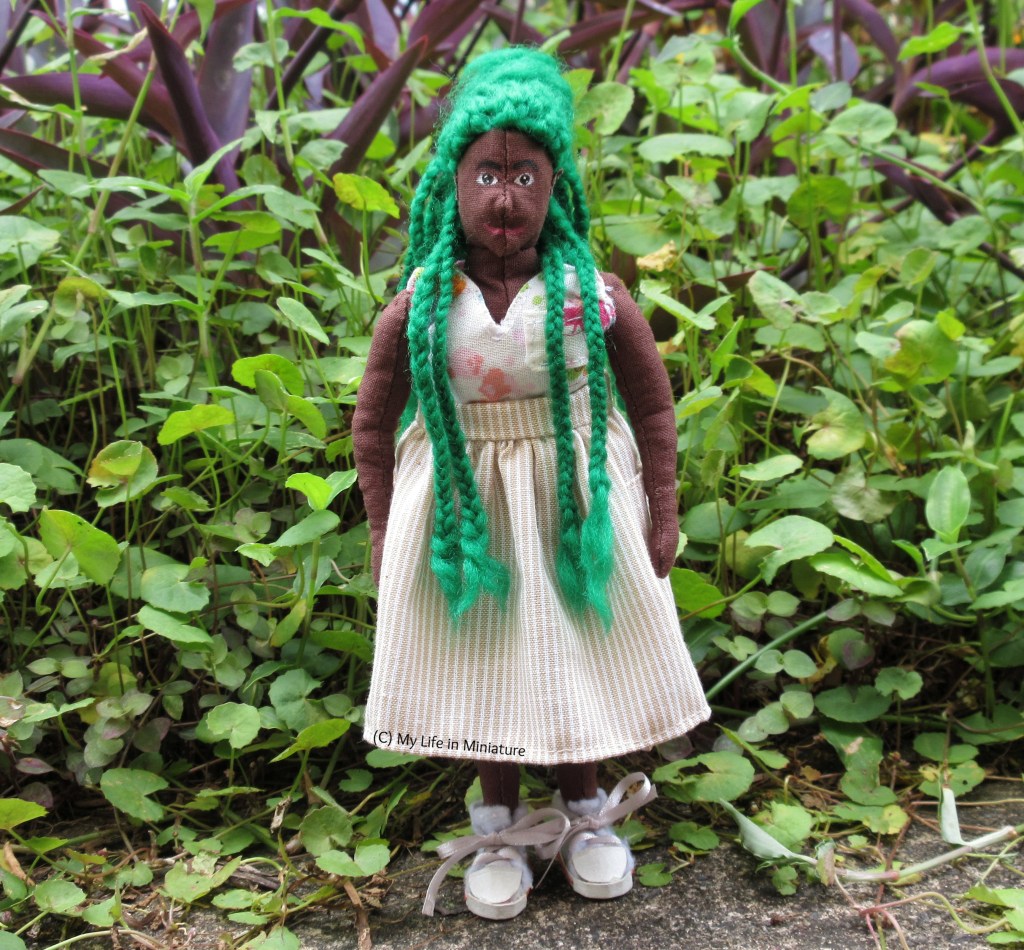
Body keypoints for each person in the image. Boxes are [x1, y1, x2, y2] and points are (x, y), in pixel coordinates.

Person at [352, 46, 710, 920]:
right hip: (468, 519)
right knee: (490, 662)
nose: (504, 195)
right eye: (485, 172)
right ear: (453, 183)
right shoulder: (424, 300)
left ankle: (586, 812)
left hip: (573, 512)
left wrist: (663, 509)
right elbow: (372, 423)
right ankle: (499, 819)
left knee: (574, 653)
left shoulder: (592, 292)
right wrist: (382, 529)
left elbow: (654, 411)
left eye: (523, 173)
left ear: (555, 185)